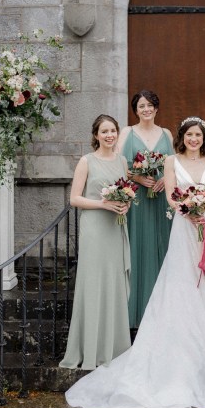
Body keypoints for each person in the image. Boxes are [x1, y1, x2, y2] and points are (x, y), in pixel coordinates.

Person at [64, 117, 205, 408]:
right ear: (181, 137)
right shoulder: (170, 161)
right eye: (188, 135)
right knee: (183, 282)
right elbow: (170, 196)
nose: (193, 139)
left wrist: (203, 209)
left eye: (197, 134)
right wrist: (187, 210)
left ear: (202, 136)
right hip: (183, 226)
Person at [59, 114, 131, 370]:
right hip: (95, 230)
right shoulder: (86, 161)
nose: (109, 135)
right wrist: (103, 203)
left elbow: (126, 194)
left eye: (113, 130)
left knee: (113, 284)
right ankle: (89, 351)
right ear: (96, 135)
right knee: (93, 284)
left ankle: (115, 348)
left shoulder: (122, 162)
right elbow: (75, 199)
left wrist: (124, 206)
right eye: (104, 131)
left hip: (115, 229)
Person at [117, 90, 173, 328]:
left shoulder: (166, 133)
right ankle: (135, 313)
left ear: (157, 108)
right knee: (139, 248)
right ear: (135, 109)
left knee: (162, 246)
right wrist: (138, 179)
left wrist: (165, 179)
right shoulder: (127, 132)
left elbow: (174, 165)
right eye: (142, 106)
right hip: (138, 200)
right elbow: (118, 164)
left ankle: (163, 312)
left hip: (161, 200)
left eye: (150, 105)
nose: (146, 109)